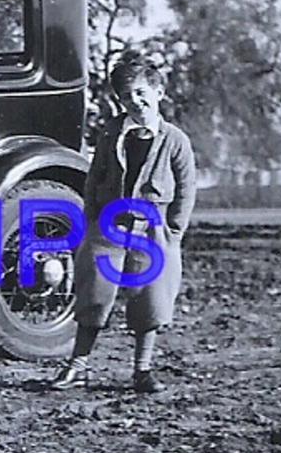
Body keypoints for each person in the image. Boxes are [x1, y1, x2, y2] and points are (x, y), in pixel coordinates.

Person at [51, 54, 196, 393]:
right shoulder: (111, 133)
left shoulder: (175, 140)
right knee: (94, 294)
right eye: (126, 97)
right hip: (109, 226)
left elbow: (186, 190)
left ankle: (142, 370)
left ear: (159, 92)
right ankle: (78, 366)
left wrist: (173, 232)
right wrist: (91, 220)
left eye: (142, 93)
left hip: (152, 229)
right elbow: (94, 178)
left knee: (150, 298)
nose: (136, 102)